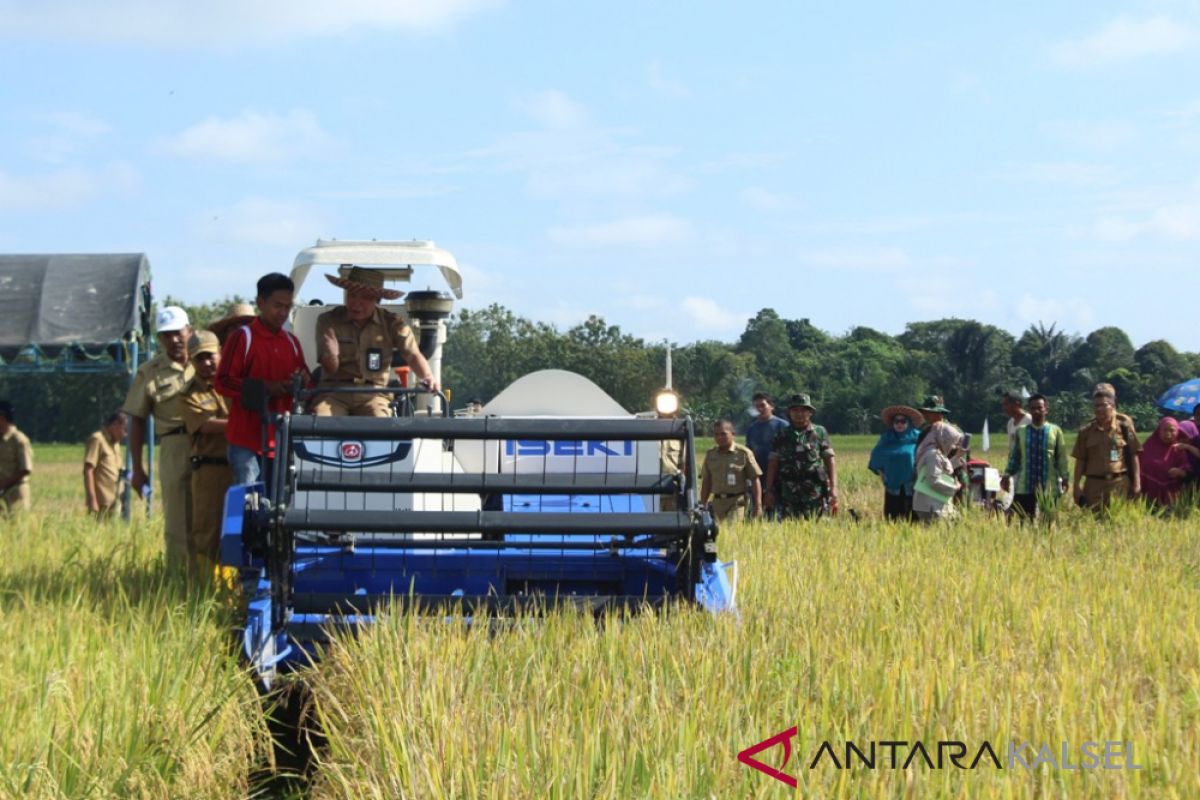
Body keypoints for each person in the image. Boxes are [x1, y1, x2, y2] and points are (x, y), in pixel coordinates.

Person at [216, 273, 311, 486]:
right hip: (247, 441)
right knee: (250, 506)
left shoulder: (291, 342)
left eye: (288, 307)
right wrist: (267, 388)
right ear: (260, 302)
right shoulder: (243, 338)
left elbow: (307, 382)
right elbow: (223, 381)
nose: (283, 313)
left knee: (278, 507)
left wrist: (302, 381)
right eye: (278, 306)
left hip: (281, 441)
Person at [122, 306, 194, 568]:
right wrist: (138, 469)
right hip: (174, 446)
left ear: (190, 331)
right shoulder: (149, 371)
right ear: (159, 339)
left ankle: (216, 581)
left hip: (212, 446)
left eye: (178, 332)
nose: (174, 339)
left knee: (213, 515)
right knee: (177, 521)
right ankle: (179, 580)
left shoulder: (208, 360)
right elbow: (137, 420)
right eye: (166, 335)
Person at [313, 267, 438, 417]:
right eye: (352, 295)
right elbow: (330, 368)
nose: (356, 303)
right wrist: (332, 355)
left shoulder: (392, 323)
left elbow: (412, 355)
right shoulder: (328, 320)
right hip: (334, 392)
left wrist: (428, 376)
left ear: (378, 300)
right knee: (321, 420)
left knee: (380, 423)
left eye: (365, 297)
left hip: (374, 393)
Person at [181, 331, 232, 576]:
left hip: (240, 468)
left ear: (220, 353)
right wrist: (244, 424)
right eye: (199, 359)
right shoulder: (190, 394)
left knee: (237, 530)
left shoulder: (236, 384)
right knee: (208, 532)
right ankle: (204, 592)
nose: (206, 363)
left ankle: (235, 590)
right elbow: (205, 425)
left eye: (210, 356)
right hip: (210, 472)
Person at [764, 393, 837, 519]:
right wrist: (769, 490)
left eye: (803, 410)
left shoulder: (819, 432)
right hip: (788, 492)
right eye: (795, 410)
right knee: (790, 528)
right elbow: (773, 463)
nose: (799, 414)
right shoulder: (782, 434)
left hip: (814, 492)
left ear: (810, 413)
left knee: (817, 526)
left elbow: (830, 460)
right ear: (790, 413)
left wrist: (834, 488)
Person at [1071, 386, 1140, 512]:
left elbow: (1134, 455)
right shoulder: (1085, 432)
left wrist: (1137, 483)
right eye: (1096, 406)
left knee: (1120, 522)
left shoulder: (1124, 428)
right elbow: (1080, 460)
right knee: (1094, 523)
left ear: (1112, 407)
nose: (1099, 409)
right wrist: (1076, 486)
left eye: (1104, 405)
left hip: (1119, 484)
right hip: (1094, 486)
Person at [1000, 394, 1069, 520]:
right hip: (1025, 486)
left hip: (1049, 485)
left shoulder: (1055, 431)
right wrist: (1006, 475)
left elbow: (1061, 457)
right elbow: (1015, 457)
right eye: (1033, 408)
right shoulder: (1022, 431)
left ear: (1046, 410)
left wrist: (1065, 477)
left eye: (1039, 407)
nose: (1036, 411)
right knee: (1025, 522)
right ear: (1029, 410)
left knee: (1048, 523)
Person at [700, 419, 762, 524]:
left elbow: (755, 479)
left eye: (723, 434)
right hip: (717, 502)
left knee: (732, 529)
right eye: (716, 434)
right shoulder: (711, 455)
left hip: (737, 502)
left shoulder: (743, 453)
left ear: (733, 434)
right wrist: (703, 504)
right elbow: (706, 481)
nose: (720, 437)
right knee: (717, 533)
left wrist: (758, 504)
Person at [868, 404, 924, 520]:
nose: (899, 424)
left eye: (903, 421)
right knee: (892, 518)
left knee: (912, 519)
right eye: (896, 421)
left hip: (913, 485)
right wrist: (881, 472)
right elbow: (876, 456)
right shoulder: (886, 439)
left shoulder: (918, 438)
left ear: (908, 423)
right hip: (892, 485)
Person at [744, 393, 788, 517]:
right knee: (758, 511)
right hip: (758, 477)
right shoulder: (752, 429)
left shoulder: (783, 426)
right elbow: (749, 452)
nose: (760, 409)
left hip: (779, 477)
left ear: (771, 406)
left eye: (763, 405)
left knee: (778, 512)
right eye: (756, 407)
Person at [912, 421, 964, 522]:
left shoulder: (933, 452)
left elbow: (940, 471)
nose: (953, 446)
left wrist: (957, 457)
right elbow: (933, 480)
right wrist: (954, 487)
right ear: (944, 439)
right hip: (931, 504)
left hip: (931, 502)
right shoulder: (933, 455)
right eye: (952, 442)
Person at [83, 411, 128, 518]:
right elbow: (88, 471)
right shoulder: (97, 439)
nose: (125, 435)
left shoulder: (116, 444)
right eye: (124, 430)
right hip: (102, 503)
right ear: (115, 425)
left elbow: (119, 470)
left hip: (116, 500)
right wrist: (92, 499)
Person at [1138, 417, 1190, 508]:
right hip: (1146, 493)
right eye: (1164, 430)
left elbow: (1188, 472)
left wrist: (1180, 471)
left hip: (1170, 498)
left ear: (1177, 432)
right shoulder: (1148, 445)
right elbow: (1138, 464)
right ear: (1159, 431)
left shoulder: (1179, 449)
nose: (1168, 434)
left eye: (1172, 430)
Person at [0, 400, 33, 514]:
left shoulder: (19, 440)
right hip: (1, 494)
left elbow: (26, 469)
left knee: (17, 525)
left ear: (3, 417)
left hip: (16, 493)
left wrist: (4, 483)